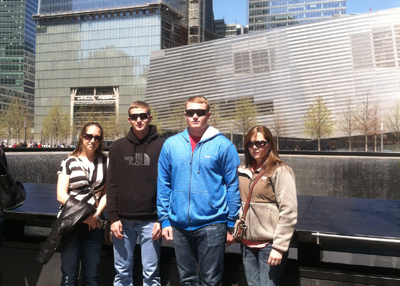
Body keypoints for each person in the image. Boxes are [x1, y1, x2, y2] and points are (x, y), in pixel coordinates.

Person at [157, 96, 241, 286]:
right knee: (187, 280)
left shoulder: (224, 146)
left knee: (211, 280)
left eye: (200, 113)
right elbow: (163, 184)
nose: (195, 116)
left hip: (213, 223)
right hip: (179, 224)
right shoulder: (171, 145)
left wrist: (231, 222)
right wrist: (164, 219)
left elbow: (233, 186)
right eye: (190, 112)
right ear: (185, 115)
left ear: (208, 115)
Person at [107, 101, 164, 286]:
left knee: (151, 273)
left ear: (150, 117)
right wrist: (113, 218)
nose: (139, 120)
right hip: (122, 221)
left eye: (143, 116)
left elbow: (167, 185)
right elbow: (112, 184)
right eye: (135, 117)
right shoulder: (117, 147)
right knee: (122, 273)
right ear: (129, 119)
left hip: (151, 221)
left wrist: (162, 219)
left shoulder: (163, 146)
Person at [237, 125, 297, 286]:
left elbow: (289, 211)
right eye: (250, 143)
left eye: (259, 143)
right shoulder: (242, 170)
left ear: (269, 144)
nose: (254, 147)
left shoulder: (280, 170)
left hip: (269, 246)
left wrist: (279, 247)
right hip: (246, 244)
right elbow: (237, 203)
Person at [57, 122, 108, 286]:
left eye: (97, 138)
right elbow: (61, 195)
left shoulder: (106, 162)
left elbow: (107, 193)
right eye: (89, 136)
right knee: (68, 277)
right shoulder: (68, 162)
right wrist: (85, 215)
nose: (92, 140)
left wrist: (96, 215)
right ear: (82, 137)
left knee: (91, 277)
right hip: (70, 224)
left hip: (94, 225)